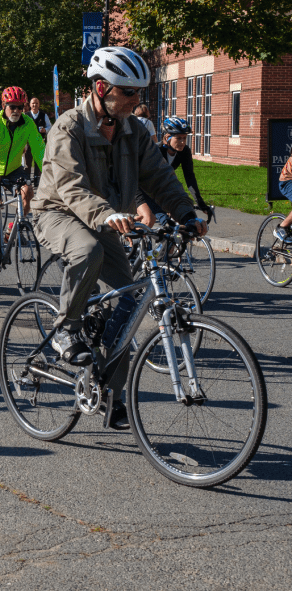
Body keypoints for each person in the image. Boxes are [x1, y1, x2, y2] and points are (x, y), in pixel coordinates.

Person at [32, 46, 207, 428]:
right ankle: (66, 330)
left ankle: (112, 395)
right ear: (100, 88)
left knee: (129, 302)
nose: (136, 101)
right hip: (58, 212)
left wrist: (186, 213)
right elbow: (71, 187)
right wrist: (108, 214)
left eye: (138, 93)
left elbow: (159, 176)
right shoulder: (69, 127)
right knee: (87, 249)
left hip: (109, 219)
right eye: (129, 93)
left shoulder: (133, 132)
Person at [0, 86, 46, 285]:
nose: (16, 110)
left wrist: (50, 173)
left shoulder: (28, 124)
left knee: (28, 192)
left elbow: (39, 149)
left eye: (20, 107)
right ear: (4, 106)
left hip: (13, 169)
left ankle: (10, 231)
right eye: (12, 107)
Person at [135, 116, 211, 227]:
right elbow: (148, 183)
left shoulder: (184, 151)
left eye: (185, 138)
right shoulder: (156, 151)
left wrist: (201, 203)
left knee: (176, 225)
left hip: (160, 185)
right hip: (140, 186)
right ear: (167, 137)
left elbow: (189, 177)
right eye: (179, 138)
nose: (182, 142)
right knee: (149, 219)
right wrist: (161, 213)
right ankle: (133, 243)